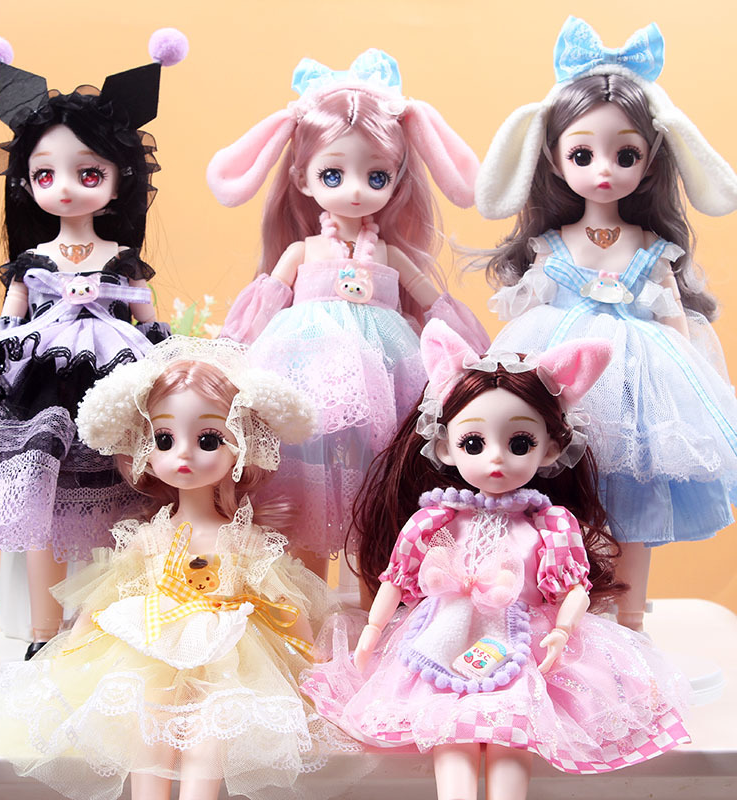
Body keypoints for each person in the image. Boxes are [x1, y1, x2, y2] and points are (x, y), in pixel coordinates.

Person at [302, 319, 689, 800]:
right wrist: (374, 632)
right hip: (441, 636)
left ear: (551, 448)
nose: (496, 459)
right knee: (451, 736)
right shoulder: (436, 518)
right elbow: (396, 579)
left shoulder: (550, 524)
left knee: (512, 735)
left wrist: (563, 630)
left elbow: (574, 591)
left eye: (520, 443)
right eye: (473, 443)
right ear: (445, 446)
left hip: (524, 640)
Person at [0, 336, 365, 800]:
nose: (183, 455)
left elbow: (282, 600)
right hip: (151, 647)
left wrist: (314, 664)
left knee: (211, 733)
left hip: (232, 653)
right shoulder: (149, 537)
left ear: (241, 446)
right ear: (145, 447)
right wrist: (71, 649)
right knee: (147, 724)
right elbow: (111, 591)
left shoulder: (244, 540)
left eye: (208, 440)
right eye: (164, 439)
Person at [474, 17, 737, 631]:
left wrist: (692, 386)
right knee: (567, 500)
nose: (603, 170)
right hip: (566, 378)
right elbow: (526, 319)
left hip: (642, 388)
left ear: (650, 161)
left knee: (634, 506)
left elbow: (675, 324)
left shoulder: (650, 245)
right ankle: (573, 615)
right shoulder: (550, 245)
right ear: (553, 157)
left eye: (626, 155)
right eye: (582, 154)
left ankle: (631, 621)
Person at [0, 31, 186, 656]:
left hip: (113, 379)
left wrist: (167, 372)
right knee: (39, 509)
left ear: (118, 182)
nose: (66, 188)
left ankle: (101, 626)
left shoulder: (121, 258)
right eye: (45, 174)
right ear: (27, 182)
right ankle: (43, 632)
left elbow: (150, 324)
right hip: (42, 387)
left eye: (88, 173)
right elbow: (6, 324)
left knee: (116, 508)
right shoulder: (32, 260)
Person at [208, 49, 488, 576]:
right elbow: (264, 305)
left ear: (397, 178)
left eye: (376, 176)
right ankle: (308, 592)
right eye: (333, 174)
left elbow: (432, 302)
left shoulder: (389, 254)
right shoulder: (303, 252)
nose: (356, 189)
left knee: (379, 475)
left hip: (387, 366)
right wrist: (229, 359)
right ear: (302, 178)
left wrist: (468, 357)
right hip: (305, 368)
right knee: (301, 467)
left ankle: (375, 589)